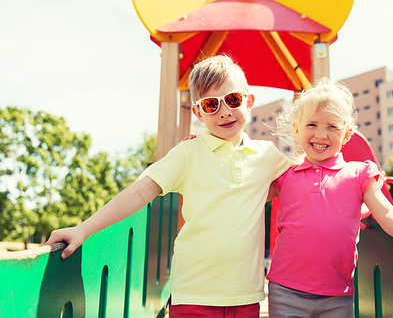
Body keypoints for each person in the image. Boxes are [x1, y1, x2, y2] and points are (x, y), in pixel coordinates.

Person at [45, 55, 293, 318]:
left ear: (248, 100)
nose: (224, 111)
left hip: (245, 296)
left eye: (232, 100)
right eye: (211, 105)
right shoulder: (189, 152)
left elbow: (302, 182)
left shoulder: (267, 156)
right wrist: (83, 229)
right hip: (192, 295)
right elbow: (140, 191)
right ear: (198, 112)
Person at [265, 78, 393, 318]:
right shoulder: (286, 176)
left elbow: (386, 212)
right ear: (297, 128)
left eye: (332, 127)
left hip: (338, 296)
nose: (321, 134)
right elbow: (244, 197)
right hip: (286, 292)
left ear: (347, 134)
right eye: (312, 124)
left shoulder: (358, 174)